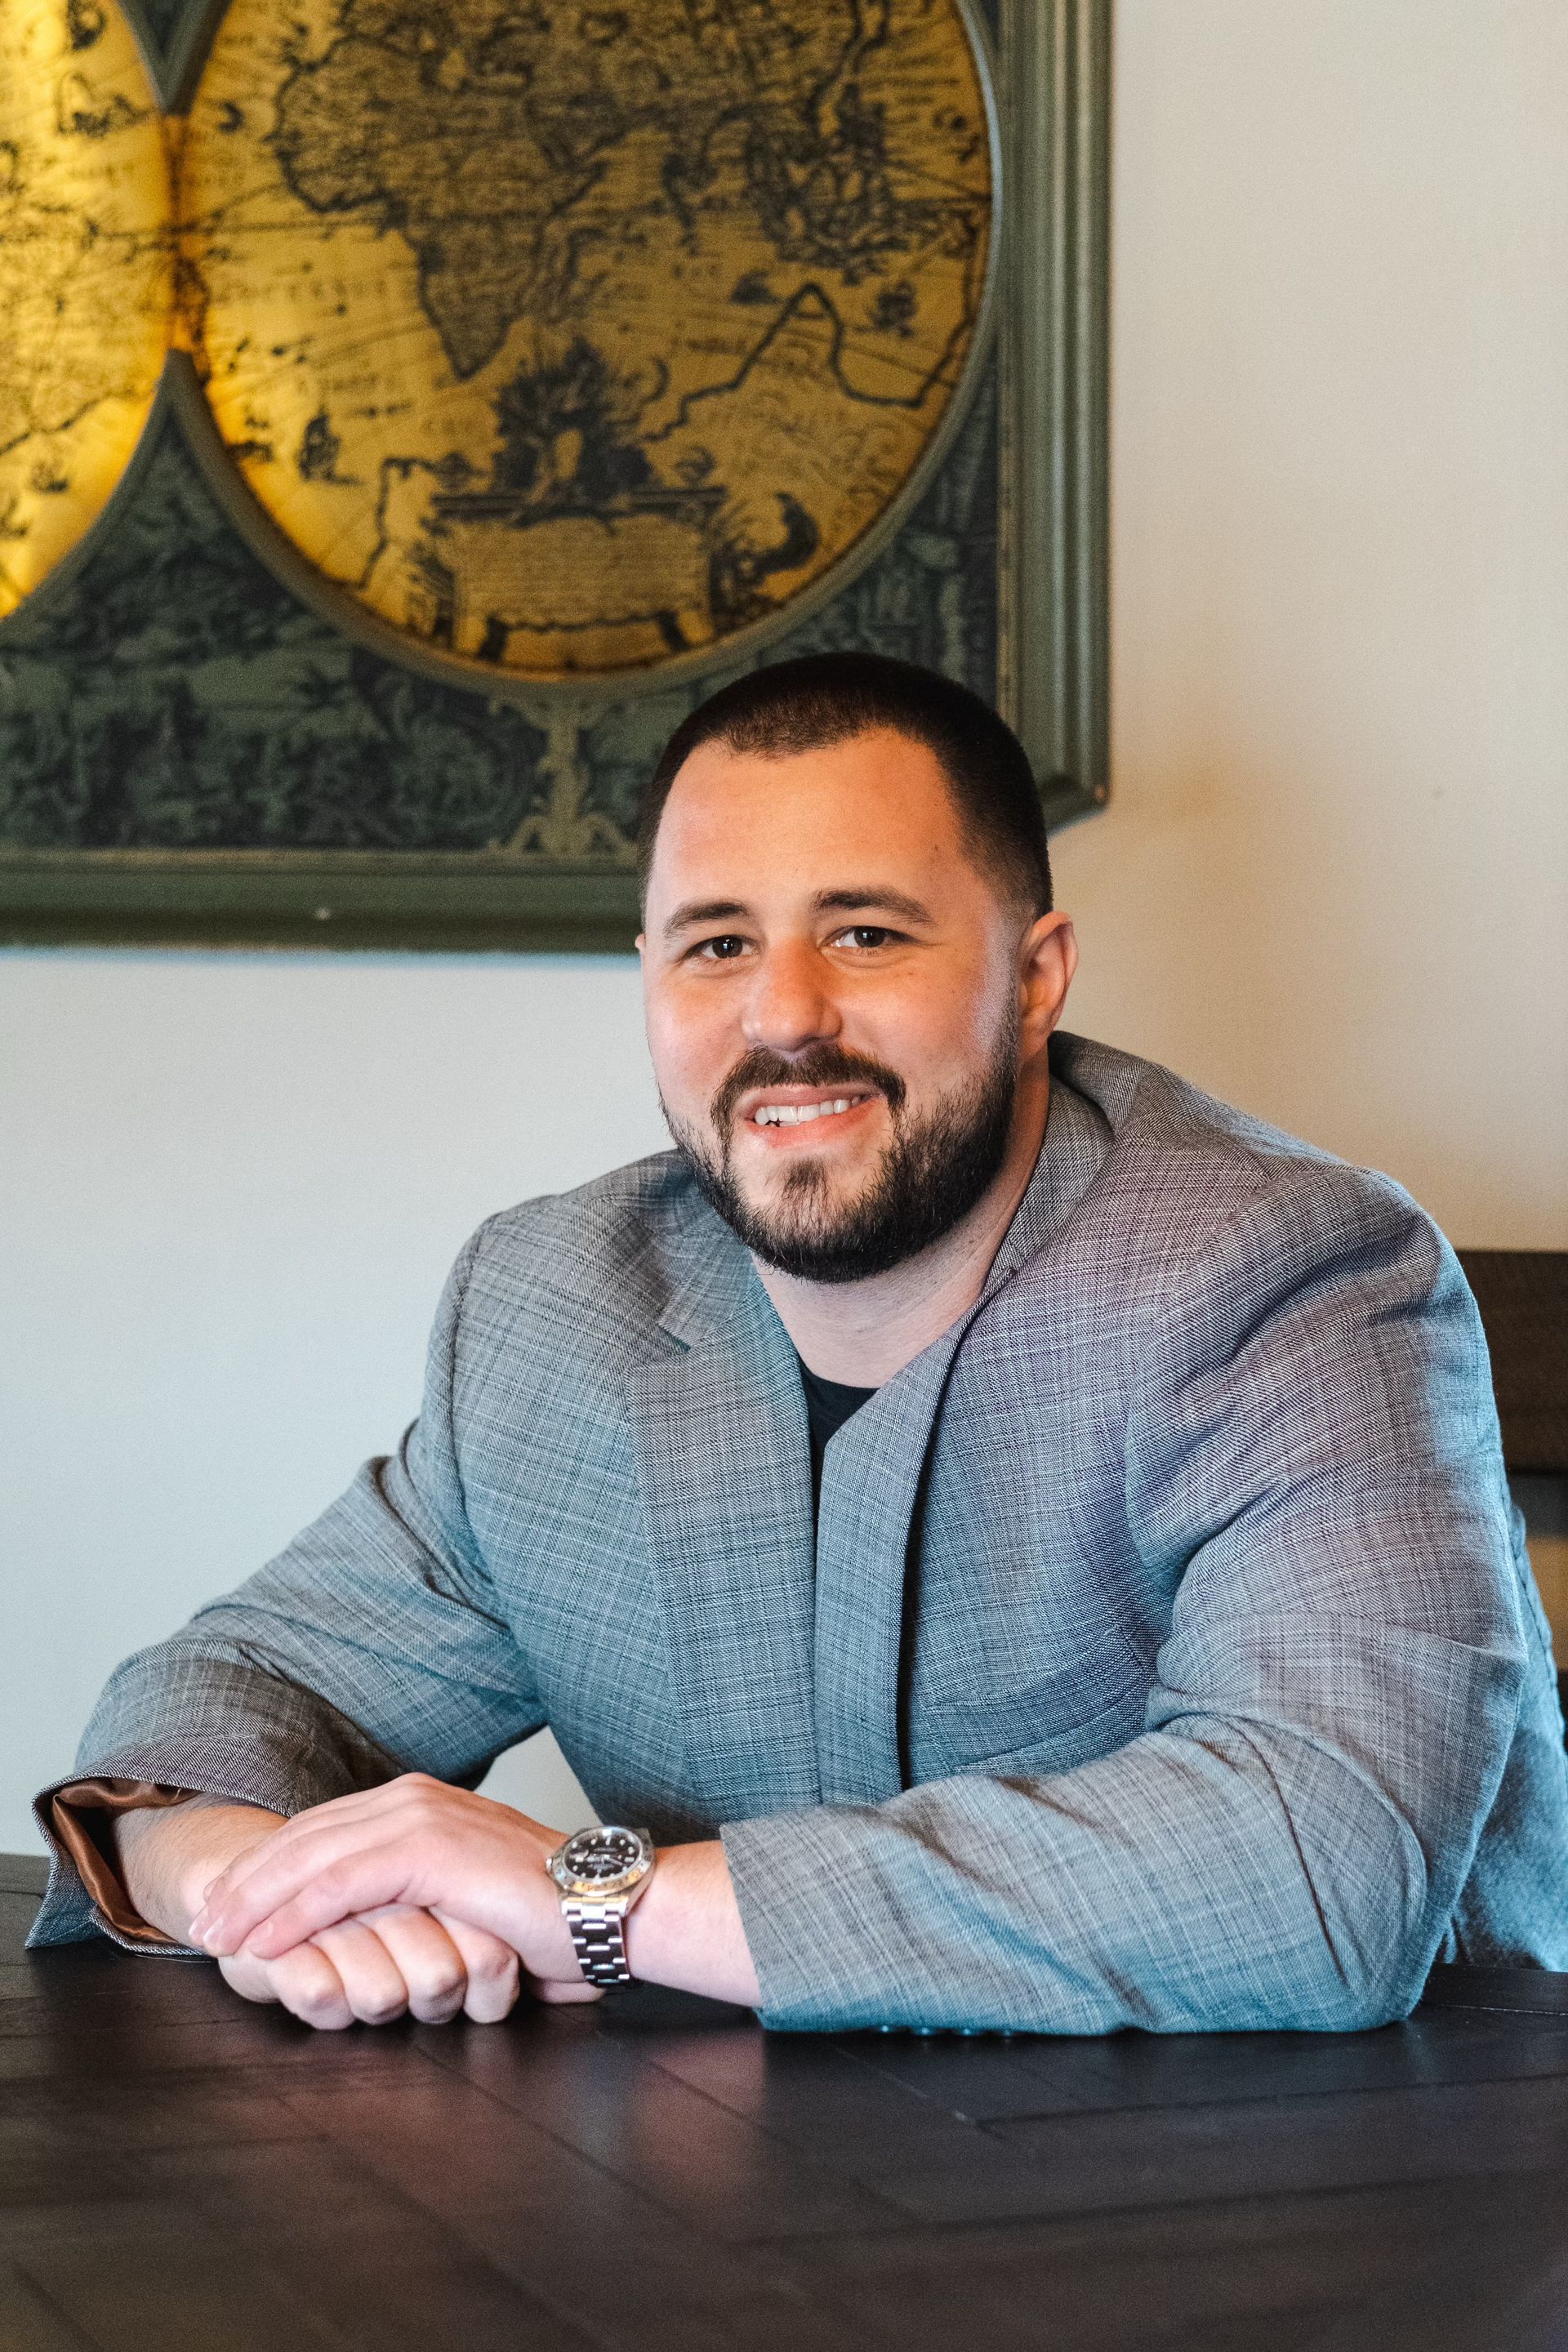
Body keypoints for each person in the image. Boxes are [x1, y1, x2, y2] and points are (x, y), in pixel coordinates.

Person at [29, 653, 1568, 2035]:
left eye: (866, 932)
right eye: (714, 945)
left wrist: (593, 1898)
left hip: (1334, 2212)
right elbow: (228, 1687)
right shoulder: (553, 1307)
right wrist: (261, 1898)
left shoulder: (1293, 1279)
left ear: (1033, 979)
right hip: (732, 2227)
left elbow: (1322, 1869)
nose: (786, 1016)